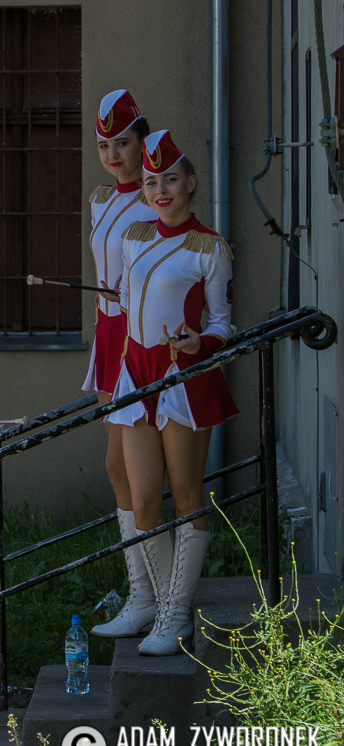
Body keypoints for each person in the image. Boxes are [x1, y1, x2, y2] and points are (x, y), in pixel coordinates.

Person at [108, 130, 238, 657]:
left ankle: (176, 614)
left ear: (191, 184)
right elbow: (125, 300)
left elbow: (225, 322)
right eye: (151, 181)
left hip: (182, 376)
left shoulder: (211, 247)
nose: (159, 190)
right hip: (135, 376)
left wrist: (199, 342)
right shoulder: (134, 235)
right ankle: (164, 607)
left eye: (170, 180)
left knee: (185, 495)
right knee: (142, 500)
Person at [84, 90, 162, 640]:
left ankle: (153, 596)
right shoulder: (100, 199)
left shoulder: (157, 198)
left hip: (141, 337)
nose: (113, 155)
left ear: (143, 141)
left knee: (131, 466)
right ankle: (144, 592)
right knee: (119, 467)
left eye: (123, 143)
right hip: (107, 335)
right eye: (104, 145)